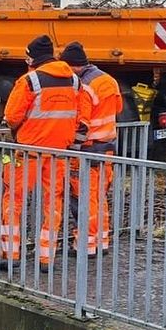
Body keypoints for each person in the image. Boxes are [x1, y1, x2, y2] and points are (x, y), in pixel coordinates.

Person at [0, 35, 82, 271]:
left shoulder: (29, 81)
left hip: (28, 152)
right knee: (53, 203)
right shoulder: (74, 80)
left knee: (13, 200)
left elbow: (12, 116)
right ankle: (46, 258)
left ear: (33, 58)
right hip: (58, 153)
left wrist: (17, 130)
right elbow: (77, 114)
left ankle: (10, 255)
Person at [63, 41, 123, 257]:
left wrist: (72, 148)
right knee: (99, 198)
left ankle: (85, 246)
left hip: (87, 150)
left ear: (72, 66)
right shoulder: (109, 80)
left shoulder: (84, 87)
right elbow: (118, 108)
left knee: (82, 200)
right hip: (107, 148)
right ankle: (101, 242)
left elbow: (82, 123)